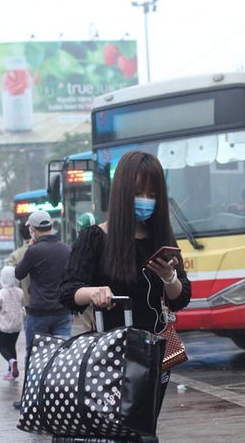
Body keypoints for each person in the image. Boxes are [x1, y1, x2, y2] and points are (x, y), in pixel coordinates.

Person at [59, 150, 192, 425]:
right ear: (121, 192)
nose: (146, 200)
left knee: (145, 424)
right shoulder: (95, 238)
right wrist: (94, 292)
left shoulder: (161, 239)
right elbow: (67, 291)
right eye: (139, 192)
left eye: (153, 194)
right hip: (111, 353)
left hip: (155, 352)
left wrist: (170, 278)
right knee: (117, 426)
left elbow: (181, 297)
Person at [12, 210, 71, 410]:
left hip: (38, 312)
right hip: (63, 312)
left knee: (35, 356)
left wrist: (30, 248)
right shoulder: (66, 249)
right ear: (51, 226)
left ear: (32, 229)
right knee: (61, 355)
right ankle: (60, 398)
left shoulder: (34, 251)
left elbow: (19, 273)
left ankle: (31, 399)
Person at [7, 218, 32, 316]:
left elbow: (12, 282)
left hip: (28, 304)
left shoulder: (15, 255)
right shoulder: (51, 250)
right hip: (55, 304)